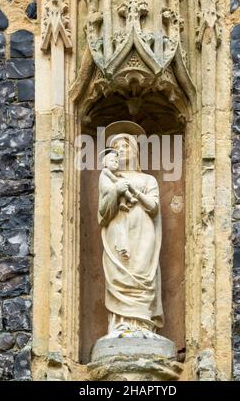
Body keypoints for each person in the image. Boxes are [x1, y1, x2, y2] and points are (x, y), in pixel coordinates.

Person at [97, 122, 164, 334]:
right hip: (118, 233)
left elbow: (154, 207)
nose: (120, 150)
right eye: (115, 148)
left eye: (124, 145)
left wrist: (137, 192)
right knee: (119, 276)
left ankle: (144, 326)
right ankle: (120, 325)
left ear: (134, 149)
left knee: (143, 274)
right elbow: (103, 213)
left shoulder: (148, 179)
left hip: (143, 232)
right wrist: (116, 191)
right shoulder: (108, 177)